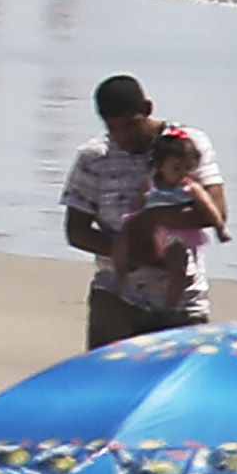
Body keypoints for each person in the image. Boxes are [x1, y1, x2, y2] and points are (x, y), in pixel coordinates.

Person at [62, 74, 220, 349]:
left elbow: (215, 210)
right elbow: (76, 231)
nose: (124, 138)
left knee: (181, 387)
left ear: (147, 109)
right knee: (108, 386)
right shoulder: (94, 157)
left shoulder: (186, 145)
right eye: (114, 129)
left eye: (130, 126)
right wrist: (136, 253)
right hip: (116, 298)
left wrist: (153, 218)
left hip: (182, 298)